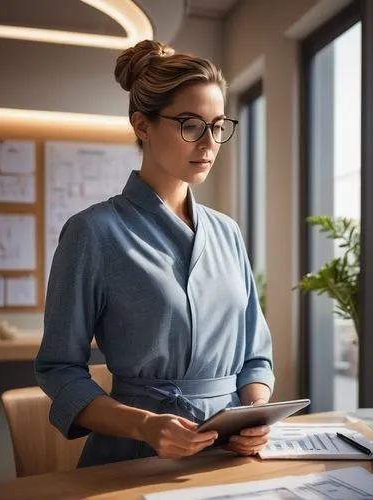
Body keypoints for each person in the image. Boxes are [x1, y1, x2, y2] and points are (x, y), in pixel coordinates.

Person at [35, 39, 275, 468]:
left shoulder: (228, 233)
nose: (209, 142)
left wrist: (254, 414)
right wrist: (143, 425)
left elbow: (255, 355)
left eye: (218, 126)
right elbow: (60, 370)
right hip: (133, 456)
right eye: (190, 124)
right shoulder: (92, 232)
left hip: (227, 457)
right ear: (142, 125)